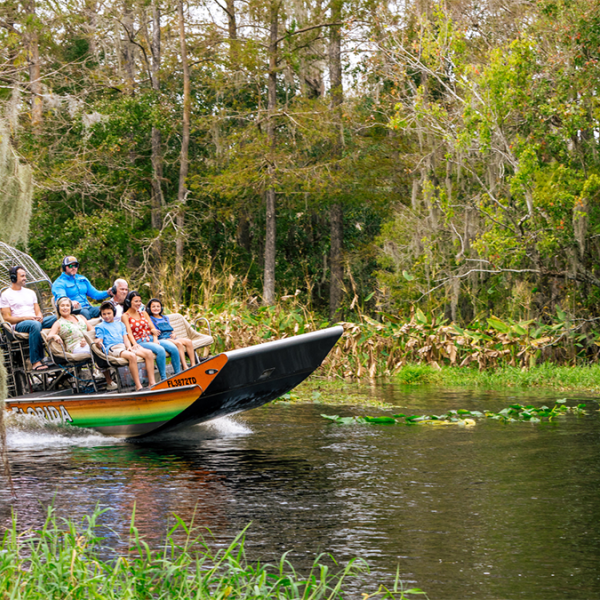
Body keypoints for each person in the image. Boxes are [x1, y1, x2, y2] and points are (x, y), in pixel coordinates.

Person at [47, 296, 117, 390]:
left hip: (88, 342)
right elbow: (48, 336)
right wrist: (55, 336)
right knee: (95, 349)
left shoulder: (80, 317)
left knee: (106, 345)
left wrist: (86, 337)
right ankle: (108, 381)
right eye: (62, 306)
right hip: (75, 347)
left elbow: (91, 329)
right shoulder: (58, 323)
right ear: (58, 308)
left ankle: (115, 375)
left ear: (71, 308)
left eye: (67, 305)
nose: (65, 308)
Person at [0, 266, 55, 371]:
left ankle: (59, 355)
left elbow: (37, 309)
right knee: (35, 325)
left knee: (57, 318)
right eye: (22, 276)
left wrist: (40, 316)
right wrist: (25, 318)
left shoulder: (30, 292)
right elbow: (7, 318)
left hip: (34, 321)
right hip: (19, 324)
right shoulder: (6, 295)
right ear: (13, 278)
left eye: (25, 275)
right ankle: (35, 361)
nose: (25, 278)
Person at [94, 302, 156, 391]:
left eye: (109, 313)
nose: (106, 316)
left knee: (149, 353)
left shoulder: (120, 324)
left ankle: (152, 383)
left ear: (113, 313)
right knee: (132, 356)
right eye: (104, 314)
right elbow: (99, 339)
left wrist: (129, 347)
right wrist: (98, 343)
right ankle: (138, 386)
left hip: (124, 346)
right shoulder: (100, 326)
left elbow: (125, 338)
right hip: (113, 348)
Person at [122, 291, 181, 380]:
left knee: (173, 348)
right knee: (160, 350)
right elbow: (128, 332)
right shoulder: (125, 316)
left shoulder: (143, 313)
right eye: (135, 301)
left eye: (139, 301)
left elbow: (153, 328)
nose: (138, 303)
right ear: (128, 302)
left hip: (150, 338)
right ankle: (164, 378)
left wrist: (155, 339)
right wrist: (134, 344)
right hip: (140, 341)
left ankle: (179, 375)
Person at [147, 298, 196, 370]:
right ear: (149, 308)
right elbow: (152, 330)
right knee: (178, 343)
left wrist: (174, 334)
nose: (156, 308)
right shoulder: (150, 319)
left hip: (171, 336)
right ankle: (184, 365)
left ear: (161, 308)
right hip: (163, 338)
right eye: (153, 306)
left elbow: (171, 328)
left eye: (158, 306)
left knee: (188, 341)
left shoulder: (165, 318)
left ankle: (193, 364)